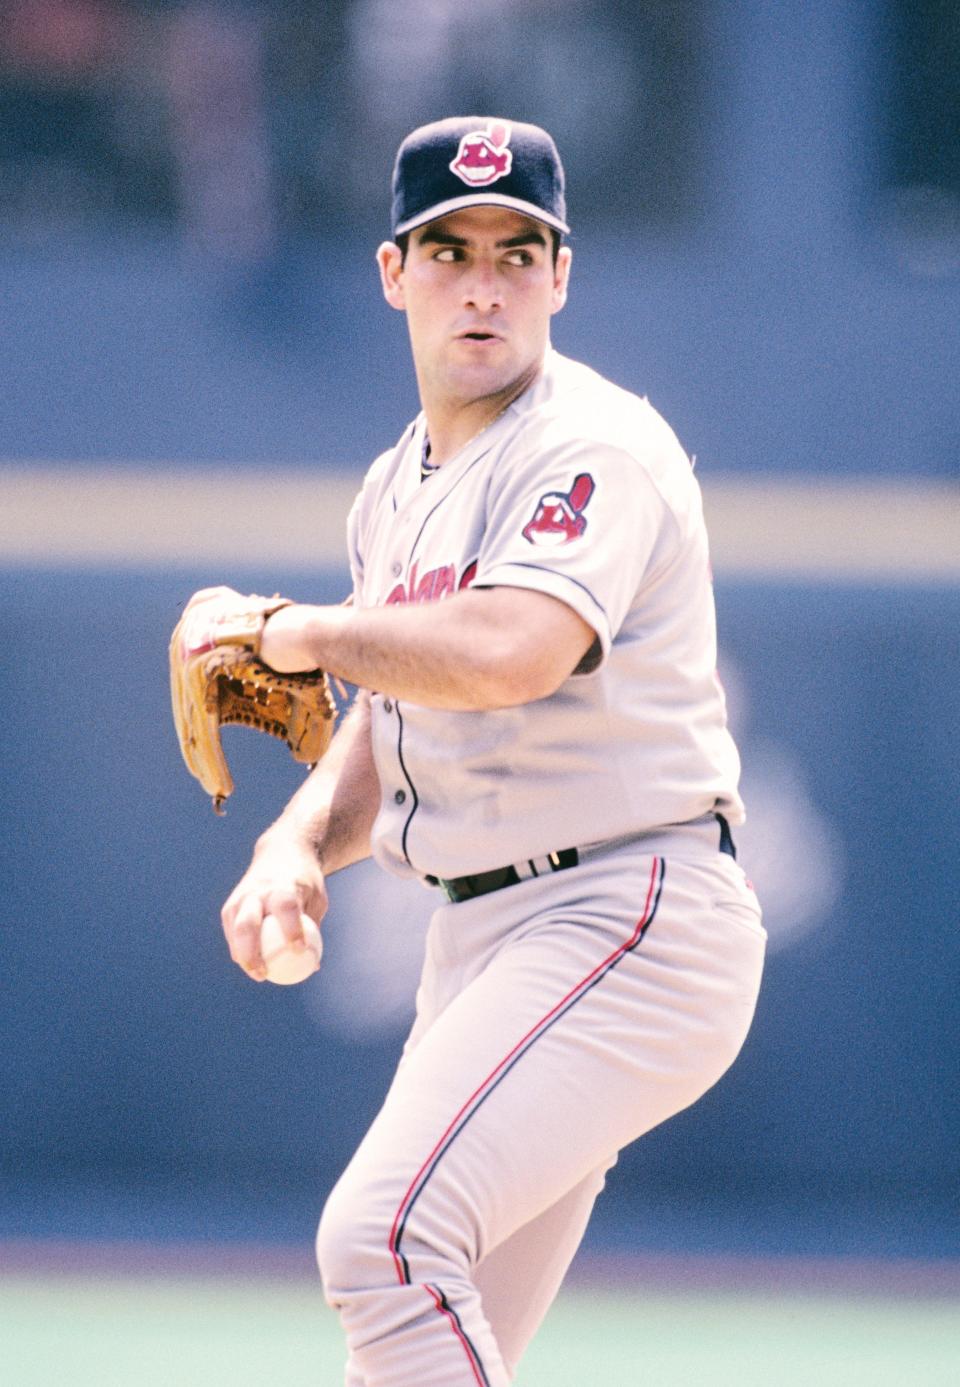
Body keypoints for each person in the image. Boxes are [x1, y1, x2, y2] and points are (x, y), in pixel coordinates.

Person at [216, 116, 766, 1387]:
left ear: (561, 278)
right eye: (450, 248)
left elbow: (512, 649)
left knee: (383, 1244)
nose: (485, 281)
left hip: (630, 910)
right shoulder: (392, 487)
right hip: (485, 934)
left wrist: (300, 631)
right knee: (415, 1337)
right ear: (392, 273)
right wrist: (298, 840)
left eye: (520, 251)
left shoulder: (593, 444)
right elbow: (402, 710)